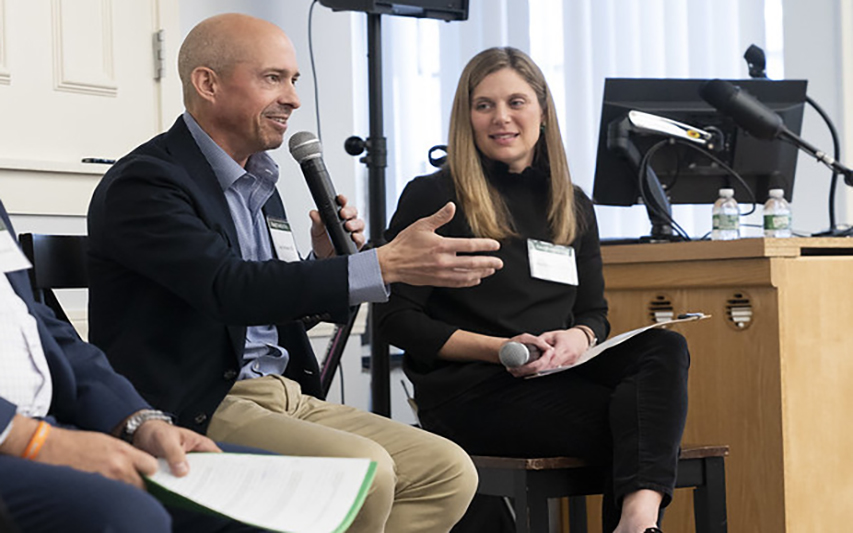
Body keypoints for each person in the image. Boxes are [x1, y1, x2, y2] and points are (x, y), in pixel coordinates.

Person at [86, 13, 503, 533]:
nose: (293, 98)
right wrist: (378, 263)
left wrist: (325, 265)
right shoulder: (147, 183)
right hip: (199, 405)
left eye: (294, 80)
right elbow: (228, 290)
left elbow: (267, 308)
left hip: (285, 393)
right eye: (272, 78)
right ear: (207, 83)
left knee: (447, 471)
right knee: (366, 474)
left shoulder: (260, 184)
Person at [377, 47, 690, 533]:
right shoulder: (435, 196)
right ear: (467, 118)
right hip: (471, 394)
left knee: (666, 346)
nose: (501, 118)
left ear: (542, 112)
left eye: (516, 102)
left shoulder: (572, 203)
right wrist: (501, 350)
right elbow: (396, 320)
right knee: (632, 426)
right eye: (484, 105)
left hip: (558, 379)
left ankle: (638, 520)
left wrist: (580, 338)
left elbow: (594, 311)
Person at [0, 200, 265, 533]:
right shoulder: (150, 183)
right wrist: (32, 439)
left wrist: (135, 421)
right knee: (126, 516)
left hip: (48, 424)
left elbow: (38, 326)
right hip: (19, 436)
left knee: (259, 487)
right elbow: (233, 286)